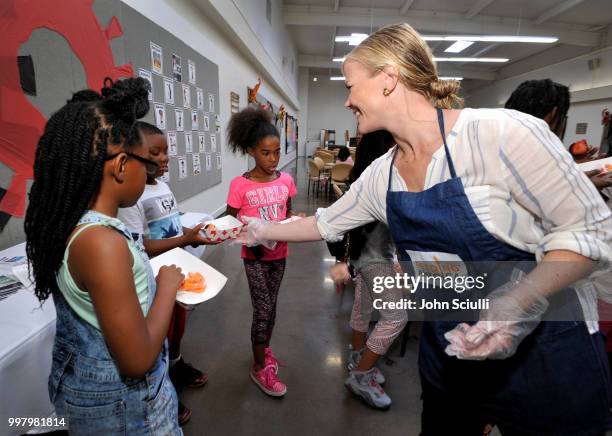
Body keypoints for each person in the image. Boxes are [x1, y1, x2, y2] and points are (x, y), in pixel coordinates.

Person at [239, 23, 612, 434]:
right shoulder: (382, 174)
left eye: (350, 86)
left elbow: (590, 231)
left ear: (388, 80)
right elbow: (324, 222)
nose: (347, 101)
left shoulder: (500, 134)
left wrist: (516, 300)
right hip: (453, 349)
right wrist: (260, 229)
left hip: (545, 353)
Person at [24, 78, 183, 434]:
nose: (152, 173)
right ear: (122, 165)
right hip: (124, 409)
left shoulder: (70, 223)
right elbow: (136, 360)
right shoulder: (102, 243)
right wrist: (168, 286)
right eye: (149, 165)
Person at [117, 121, 217, 425]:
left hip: (177, 271)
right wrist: (185, 240)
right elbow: (141, 246)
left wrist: (192, 233)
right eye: (155, 153)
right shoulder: (130, 199)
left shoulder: (162, 185)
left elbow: (172, 222)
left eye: (166, 152)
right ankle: (164, 389)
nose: (164, 159)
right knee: (159, 331)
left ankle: (177, 364)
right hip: (155, 279)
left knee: (177, 326)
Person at [328, 130, 406, 409]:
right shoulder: (380, 179)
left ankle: (358, 356)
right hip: (375, 258)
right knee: (396, 317)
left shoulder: (367, 178)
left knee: (362, 308)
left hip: (366, 256)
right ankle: (361, 375)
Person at [225, 107, 298, 397]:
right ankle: (259, 368)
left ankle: (264, 351)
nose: (273, 159)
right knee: (263, 308)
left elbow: (287, 214)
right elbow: (231, 223)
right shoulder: (239, 185)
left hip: (279, 256)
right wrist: (248, 236)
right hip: (254, 257)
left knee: (273, 306)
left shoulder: (286, 181)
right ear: (251, 151)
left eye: (277, 152)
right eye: (266, 153)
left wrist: (293, 222)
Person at [505, 78, 612, 191]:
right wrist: (583, 187)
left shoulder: (499, 146)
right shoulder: (536, 155)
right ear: (554, 113)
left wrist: (574, 166)